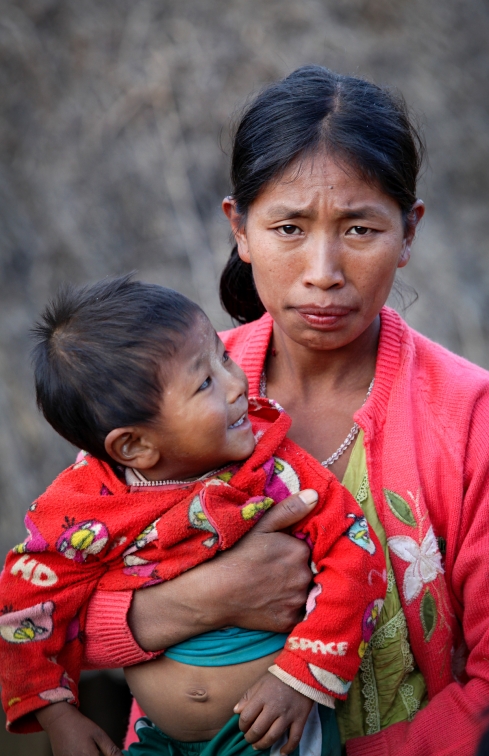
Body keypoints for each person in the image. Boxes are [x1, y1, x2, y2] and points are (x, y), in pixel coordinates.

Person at [80, 65, 489, 756]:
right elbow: (45, 607)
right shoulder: (156, 400)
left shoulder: (477, 420)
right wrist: (199, 602)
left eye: (360, 229)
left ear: (409, 232)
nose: (323, 270)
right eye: (289, 227)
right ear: (240, 230)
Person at [0, 276, 387, 756]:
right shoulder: (85, 507)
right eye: (204, 382)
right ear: (134, 445)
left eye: (223, 358)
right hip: (159, 741)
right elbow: (27, 600)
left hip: (268, 732)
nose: (235, 384)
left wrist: (301, 678)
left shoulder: (271, 470)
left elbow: (355, 554)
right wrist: (57, 714)